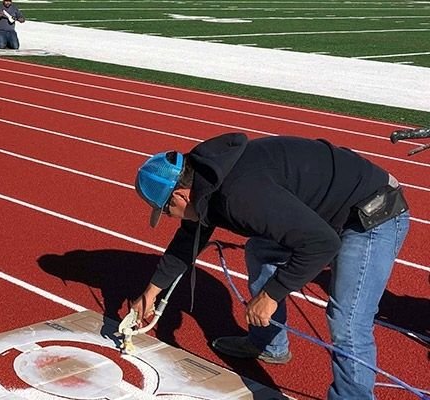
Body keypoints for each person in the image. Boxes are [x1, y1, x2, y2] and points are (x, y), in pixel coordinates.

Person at [131, 132, 409, 400]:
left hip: (372, 215)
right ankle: (269, 344)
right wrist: (153, 290)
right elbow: (190, 235)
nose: (168, 217)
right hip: (330, 210)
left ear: (180, 196)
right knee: (261, 250)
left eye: (165, 211)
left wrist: (270, 295)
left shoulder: (239, 197)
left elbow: (322, 244)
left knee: (348, 319)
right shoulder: (208, 178)